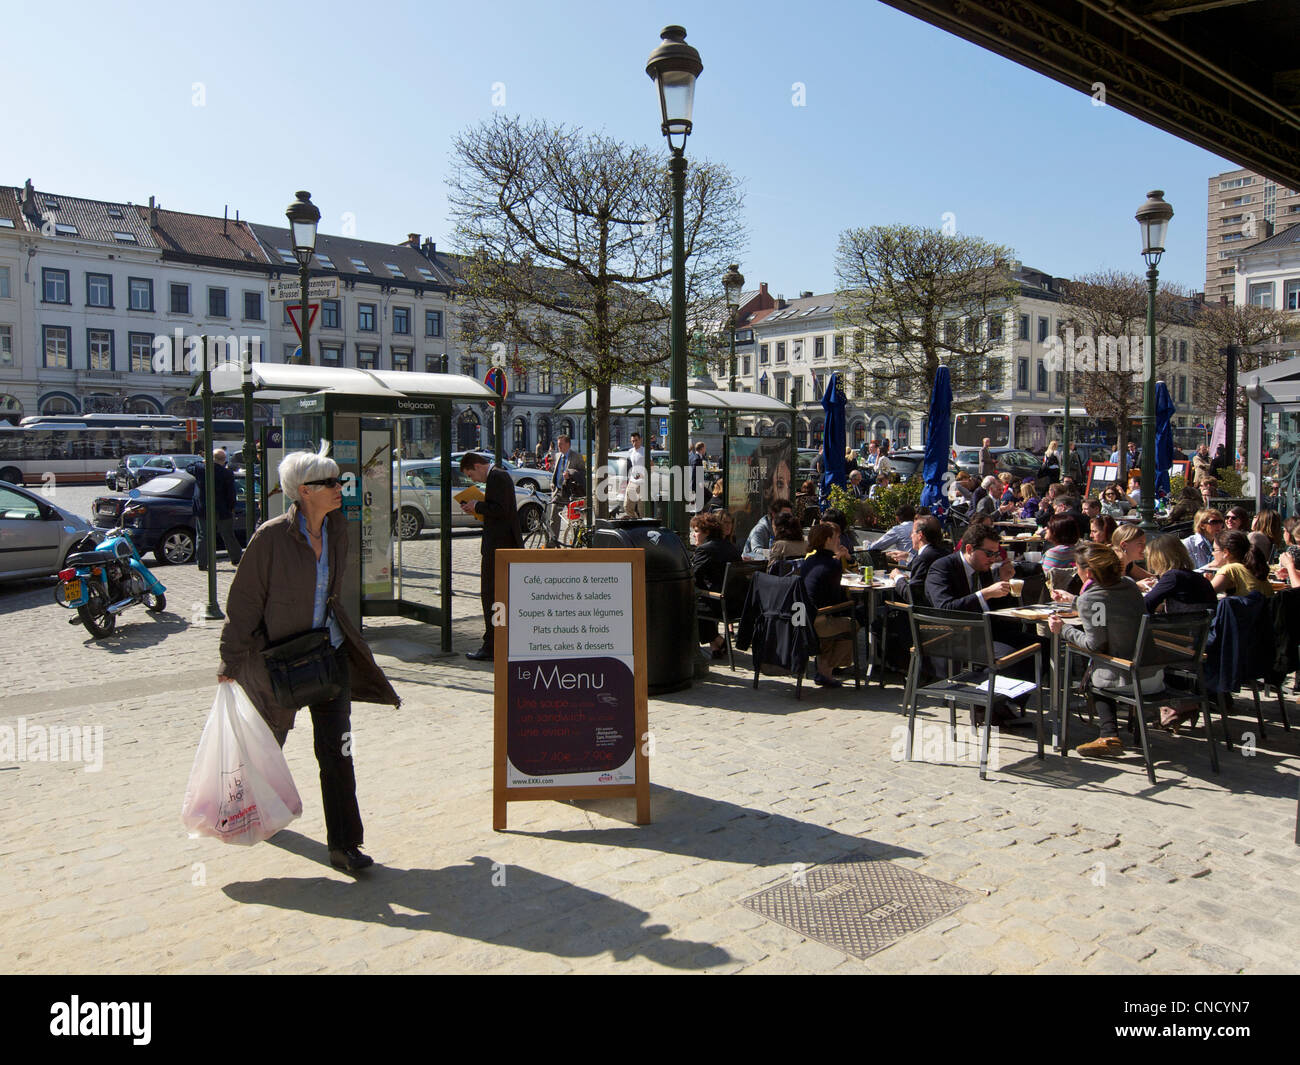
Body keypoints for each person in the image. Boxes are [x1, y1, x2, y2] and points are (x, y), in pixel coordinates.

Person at [217, 448, 400, 873]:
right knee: (268, 746)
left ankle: (345, 845)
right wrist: (231, 659)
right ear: (303, 491)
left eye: (339, 481)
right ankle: (248, 812)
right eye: (331, 483)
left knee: (338, 753)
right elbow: (243, 603)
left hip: (328, 656)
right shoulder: (270, 538)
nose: (340, 489)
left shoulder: (338, 529)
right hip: (281, 662)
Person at [1047, 542, 1161, 758]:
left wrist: (1063, 630)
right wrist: (1076, 602)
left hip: (1128, 679)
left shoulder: (1092, 599)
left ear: (1088, 572)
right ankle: (1112, 733)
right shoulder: (1129, 585)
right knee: (1103, 663)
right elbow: (1108, 606)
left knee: (1092, 671)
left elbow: (1094, 644)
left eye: (1077, 569)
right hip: (1154, 673)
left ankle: (1108, 733)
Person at [460, 452, 524, 660]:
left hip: (499, 546)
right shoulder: (498, 476)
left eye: (471, 475)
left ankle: (491, 645)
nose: (473, 480)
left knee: (491, 595)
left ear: (478, 466)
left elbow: (501, 509)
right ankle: (494, 642)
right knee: (495, 596)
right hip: (500, 544)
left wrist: (477, 506)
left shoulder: (497, 476)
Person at [801, 522, 855, 687]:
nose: (840, 540)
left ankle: (824, 671)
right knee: (853, 623)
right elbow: (835, 598)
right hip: (818, 620)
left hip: (802, 617)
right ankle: (828, 669)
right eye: (837, 537)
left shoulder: (809, 560)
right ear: (828, 540)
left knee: (834, 621)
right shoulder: (832, 564)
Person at [924, 529, 1016, 614]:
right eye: (989, 553)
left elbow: (993, 607)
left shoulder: (983, 566)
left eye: (996, 554)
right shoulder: (942, 567)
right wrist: (985, 594)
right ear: (969, 549)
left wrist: (1003, 581)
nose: (993, 559)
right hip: (956, 629)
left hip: (986, 626)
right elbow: (945, 608)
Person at [690, 511, 741, 658]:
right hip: (736, 605)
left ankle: (718, 640)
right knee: (702, 598)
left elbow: (692, 575)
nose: (694, 535)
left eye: (696, 532)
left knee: (687, 604)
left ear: (707, 532)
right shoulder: (730, 546)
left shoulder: (705, 549)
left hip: (720, 605)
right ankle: (715, 647)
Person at [193, 448, 243, 571]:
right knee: (228, 535)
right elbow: (231, 493)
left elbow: (191, 466)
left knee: (203, 536)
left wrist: (204, 461)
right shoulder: (226, 474)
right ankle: (236, 558)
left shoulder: (201, 469)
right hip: (223, 509)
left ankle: (202, 562)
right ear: (224, 460)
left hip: (204, 509)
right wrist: (232, 507)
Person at [1140, 534, 1216, 614]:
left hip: (1179, 625)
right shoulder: (1198, 578)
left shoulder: (1172, 576)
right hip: (1200, 625)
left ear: (1158, 559)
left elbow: (1146, 604)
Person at [890, 516, 947, 606]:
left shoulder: (924, 558)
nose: (911, 536)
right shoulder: (944, 552)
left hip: (924, 613)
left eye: (912, 532)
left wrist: (898, 577)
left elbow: (912, 596)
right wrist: (908, 557)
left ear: (920, 535)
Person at [1209, 529, 1273, 597]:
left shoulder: (1230, 569)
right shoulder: (1251, 568)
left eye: (1214, 550)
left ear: (1226, 552)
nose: (1212, 553)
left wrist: (1205, 583)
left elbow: (1205, 594)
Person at [549, 435, 585, 540]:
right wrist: (553, 483)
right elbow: (556, 471)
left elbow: (582, 473)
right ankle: (553, 542)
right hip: (559, 492)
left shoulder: (576, 456)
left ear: (568, 444)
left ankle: (575, 541)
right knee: (553, 517)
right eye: (558, 444)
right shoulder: (558, 455)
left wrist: (570, 473)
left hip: (571, 492)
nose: (558, 446)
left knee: (574, 520)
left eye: (561, 444)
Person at [1042, 514, 1081, 590]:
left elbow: (1045, 578)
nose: (1046, 529)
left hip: (1054, 593)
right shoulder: (1078, 550)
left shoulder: (1054, 553)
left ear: (1056, 532)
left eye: (1049, 527)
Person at [623, 431, 646, 519]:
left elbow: (651, 466)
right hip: (632, 481)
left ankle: (643, 524)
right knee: (627, 506)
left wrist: (643, 475)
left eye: (636, 440)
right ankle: (635, 520)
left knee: (642, 509)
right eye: (632, 441)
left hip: (642, 482)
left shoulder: (644, 451)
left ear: (640, 440)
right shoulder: (631, 451)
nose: (634, 443)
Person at [687, 441, 708, 514]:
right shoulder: (697, 458)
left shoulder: (692, 457)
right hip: (696, 485)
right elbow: (694, 473)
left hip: (694, 484)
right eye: (704, 448)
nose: (705, 450)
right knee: (708, 496)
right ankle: (699, 512)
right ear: (702, 449)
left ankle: (698, 511)